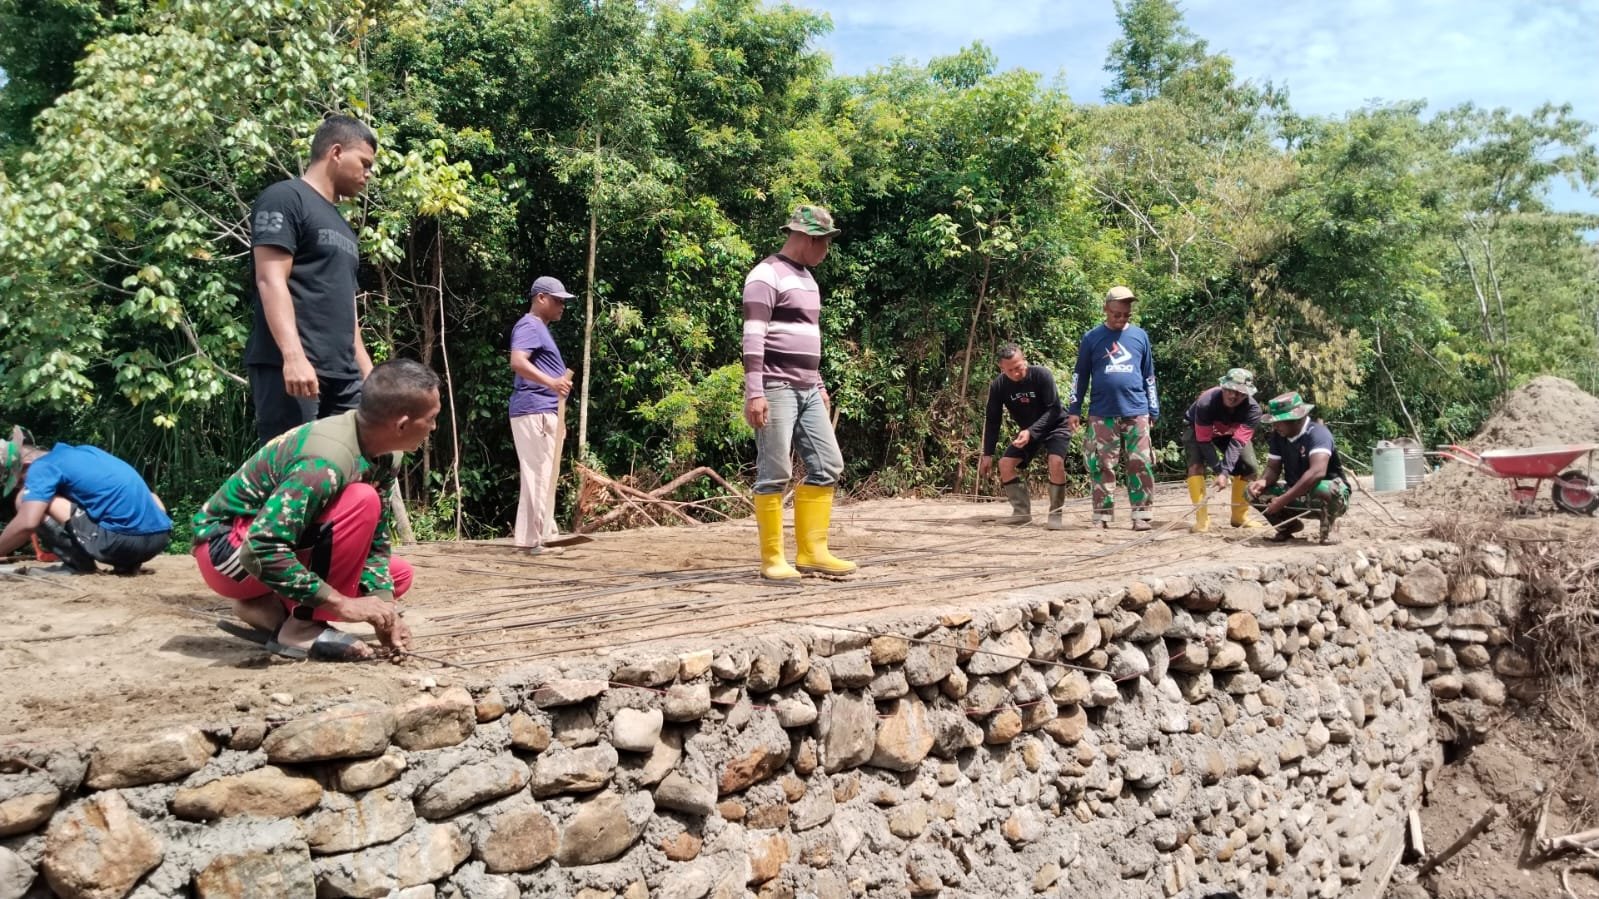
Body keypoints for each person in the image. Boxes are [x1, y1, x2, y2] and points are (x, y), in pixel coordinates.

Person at [193, 359, 439, 661]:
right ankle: (299, 627)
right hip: (226, 553)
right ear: (401, 424)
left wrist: (386, 611)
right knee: (362, 500)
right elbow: (261, 549)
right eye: (431, 419)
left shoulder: (386, 455)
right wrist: (342, 604)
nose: (434, 427)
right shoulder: (325, 463)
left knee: (397, 576)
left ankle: (266, 608)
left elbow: (376, 541)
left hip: (264, 553)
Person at [244, 115, 379, 445]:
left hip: (343, 374)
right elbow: (270, 279)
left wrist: (370, 377)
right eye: (364, 163)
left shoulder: (343, 226)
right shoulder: (285, 198)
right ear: (336, 152)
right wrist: (293, 357)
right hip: (295, 370)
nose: (368, 173)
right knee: (295, 467)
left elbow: (347, 308)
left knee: (349, 465)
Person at [743, 204, 855, 580]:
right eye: (825, 242)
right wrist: (754, 392)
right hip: (775, 385)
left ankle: (812, 552)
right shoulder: (765, 275)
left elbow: (807, 337)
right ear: (808, 238)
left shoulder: (808, 280)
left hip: (807, 387)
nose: (827, 250)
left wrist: (818, 383)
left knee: (828, 464)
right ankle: (773, 559)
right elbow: (753, 337)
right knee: (775, 471)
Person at [0, 426, 172, 573]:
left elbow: (27, 523)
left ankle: (78, 566)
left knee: (26, 500)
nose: (23, 485)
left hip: (121, 544)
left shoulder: (42, 467)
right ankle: (128, 565)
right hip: (158, 539)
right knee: (147, 497)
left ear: (26, 465)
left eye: (20, 481)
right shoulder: (83, 452)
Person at [1067, 285, 1160, 531]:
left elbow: (1149, 375)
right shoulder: (1092, 338)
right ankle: (1102, 515)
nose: (1121, 319)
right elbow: (1080, 375)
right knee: (1102, 464)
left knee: (1140, 462)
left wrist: (1153, 409)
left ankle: (1141, 514)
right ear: (1106, 309)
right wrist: (1074, 409)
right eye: (1116, 314)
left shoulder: (1140, 336)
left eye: (1126, 315)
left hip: (1137, 409)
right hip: (1102, 412)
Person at [508, 276, 575, 555]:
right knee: (540, 475)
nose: (562, 306)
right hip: (534, 409)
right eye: (558, 300)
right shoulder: (529, 325)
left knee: (536, 474)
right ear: (541, 298)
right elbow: (517, 361)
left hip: (542, 410)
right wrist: (552, 383)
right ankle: (543, 537)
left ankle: (529, 538)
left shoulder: (539, 328)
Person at [978, 346, 1074, 529]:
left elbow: (1054, 409)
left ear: (1025, 361)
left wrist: (1030, 431)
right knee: (1005, 464)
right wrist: (988, 454)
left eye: (1018, 367)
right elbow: (993, 420)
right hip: (1028, 432)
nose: (1016, 373)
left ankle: (1055, 514)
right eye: (1010, 370)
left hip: (1055, 425)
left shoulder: (1041, 375)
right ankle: (1021, 513)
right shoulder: (998, 386)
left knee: (1056, 462)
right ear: (1002, 369)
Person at [1247, 391, 1350, 545]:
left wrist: (1283, 499)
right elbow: (1273, 468)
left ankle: (1329, 528)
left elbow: (1317, 472)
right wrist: (1263, 481)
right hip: (1295, 492)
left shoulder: (1318, 434)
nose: (1275, 426)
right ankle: (1287, 527)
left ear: (1296, 419)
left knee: (1328, 489)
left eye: (1279, 421)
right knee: (1251, 491)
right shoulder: (1278, 436)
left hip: (1324, 494)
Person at [1183, 368, 1264, 532]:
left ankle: (1239, 517)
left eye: (1240, 393)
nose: (1233, 396)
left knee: (1250, 467)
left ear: (1247, 394)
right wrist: (1219, 470)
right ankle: (1202, 519)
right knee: (1195, 466)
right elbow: (1204, 441)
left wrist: (1225, 472)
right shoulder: (1206, 402)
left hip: (1229, 432)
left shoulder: (1253, 411)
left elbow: (1238, 442)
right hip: (1197, 429)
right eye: (1229, 390)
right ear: (1223, 387)